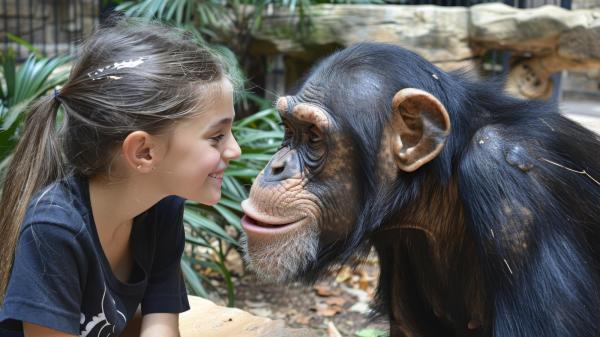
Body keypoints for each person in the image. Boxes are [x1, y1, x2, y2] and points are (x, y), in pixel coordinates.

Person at [0, 18, 241, 337]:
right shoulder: (53, 231)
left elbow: (161, 325)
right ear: (143, 152)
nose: (234, 149)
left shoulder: (162, 209)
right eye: (217, 136)